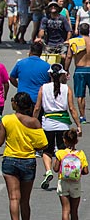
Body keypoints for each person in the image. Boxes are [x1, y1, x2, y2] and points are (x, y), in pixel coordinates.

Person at [0, 92, 48, 220]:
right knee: (25, 201)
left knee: (13, 198)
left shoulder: (7, 120)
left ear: (17, 104)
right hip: (28, 161)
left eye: (13, 100)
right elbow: (43, 144)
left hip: (10, 160)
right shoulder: (34, 122)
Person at [33, 63, 82, 191]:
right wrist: (78, 125)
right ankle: (62, 174)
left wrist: (33, 122)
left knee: (47, 150)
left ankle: (49, 171)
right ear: (62, 75)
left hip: (48, 123)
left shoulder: (43, 88)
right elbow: (72, 108)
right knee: (63, 150)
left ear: (50, 74)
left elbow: (37, 108)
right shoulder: (67, 89)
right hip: (63, 124)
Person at [53, 128, 88, 220]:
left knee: (65, 209)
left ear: (64, 140)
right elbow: (86, 171)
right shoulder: (81, 154)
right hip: (75, 183)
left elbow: (56, 169)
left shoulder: (60, 153)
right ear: (76, 141)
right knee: (74, 210)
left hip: (63, 182)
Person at [65, 23, 90, 124]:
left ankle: (82, 116)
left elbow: (69, 56)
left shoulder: (75, 41)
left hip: (80, 69)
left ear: (79, 30)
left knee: (80, 95)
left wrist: (66, 69)